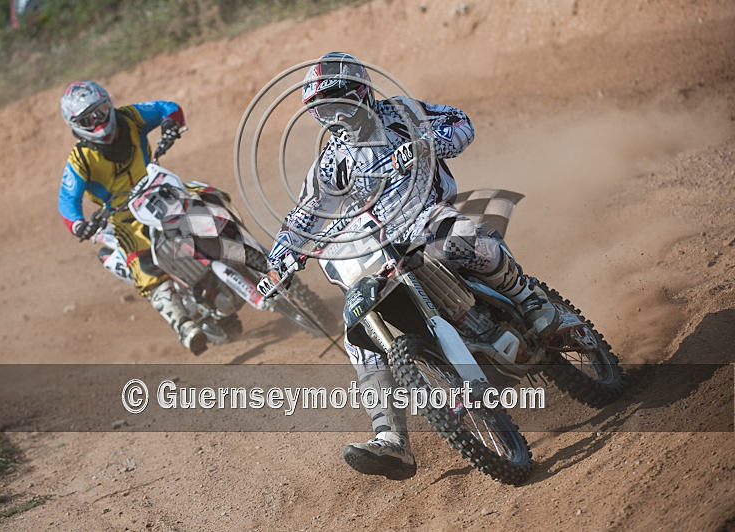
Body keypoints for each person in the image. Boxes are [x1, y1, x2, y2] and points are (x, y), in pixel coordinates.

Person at [257, 52, 558, 479]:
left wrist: (422, 145)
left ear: (359, 91)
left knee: (460, 238)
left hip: (427, 216)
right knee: (357, 333)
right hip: (381, 252)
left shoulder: (401, 114)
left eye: (335, 102)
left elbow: (460, 123)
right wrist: (279, 261)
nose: (330, 116)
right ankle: (391, 439)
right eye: (321, 109)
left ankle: (528, 300)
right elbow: (306, 214)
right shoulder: (332, 162)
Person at [57, 80, 208, 355]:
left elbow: (167, 107)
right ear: (76, 126)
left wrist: (171, 123)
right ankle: (182, 323)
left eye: (101, 111)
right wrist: (78, 224)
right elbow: (67, 200)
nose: (98, 121)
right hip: (124, 212)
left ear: (109, 104)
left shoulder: (131, 117)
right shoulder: (79, 159)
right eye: (88, 119)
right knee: (140, 260)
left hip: (159, 186)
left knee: (209, 196)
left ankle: (255, 256)